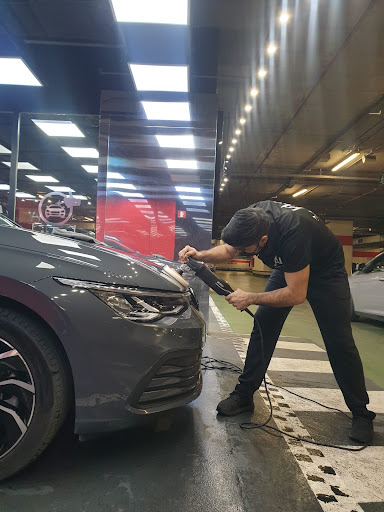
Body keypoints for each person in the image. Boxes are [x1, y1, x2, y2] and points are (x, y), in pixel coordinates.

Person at [179, 200, 375, 444]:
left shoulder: (294, 234)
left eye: (246, 249)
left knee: (339, 341)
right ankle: (244, 395)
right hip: (289, 266)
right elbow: (230, 250)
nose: (240, 251)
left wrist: (251, 297)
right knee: (264, 324)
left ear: (263, 240)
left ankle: (361, 413)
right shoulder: (252, 218)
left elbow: (296, 294)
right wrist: (201, 255)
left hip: (326, 273)